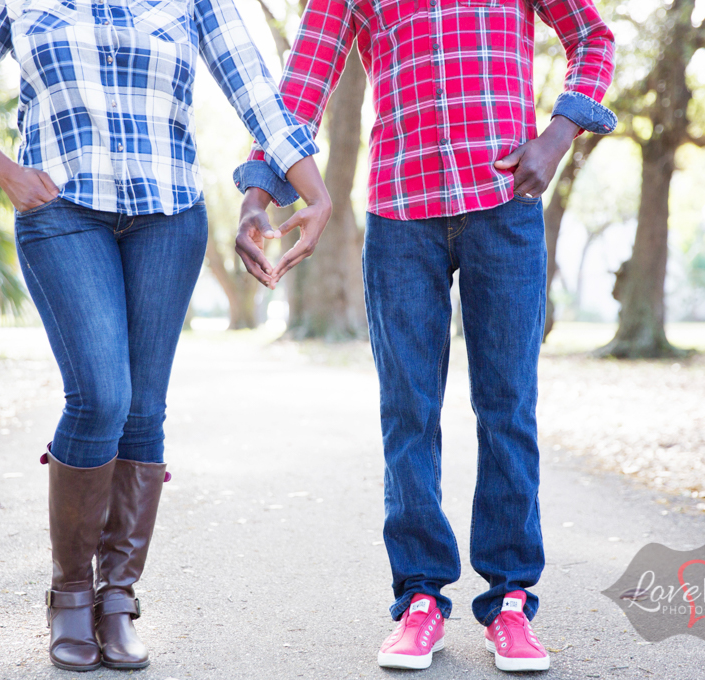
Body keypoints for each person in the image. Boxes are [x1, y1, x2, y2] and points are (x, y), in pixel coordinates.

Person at [0, 0, 330, 671]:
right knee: (102, 397)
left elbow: (256, 89)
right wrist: (3, 167)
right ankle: (72, 594)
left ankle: (119, 601)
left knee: (143, 409)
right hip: (62, 213)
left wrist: (314, 192)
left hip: (168, 216)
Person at [233, 0, 615, 671]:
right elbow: (303, 81)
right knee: (408, 412)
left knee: (507, 408)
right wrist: (259, 192)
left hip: (505, 208)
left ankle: (511, 601)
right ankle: (419, 600)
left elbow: (592, 36)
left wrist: (556, 137)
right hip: (400, 214)